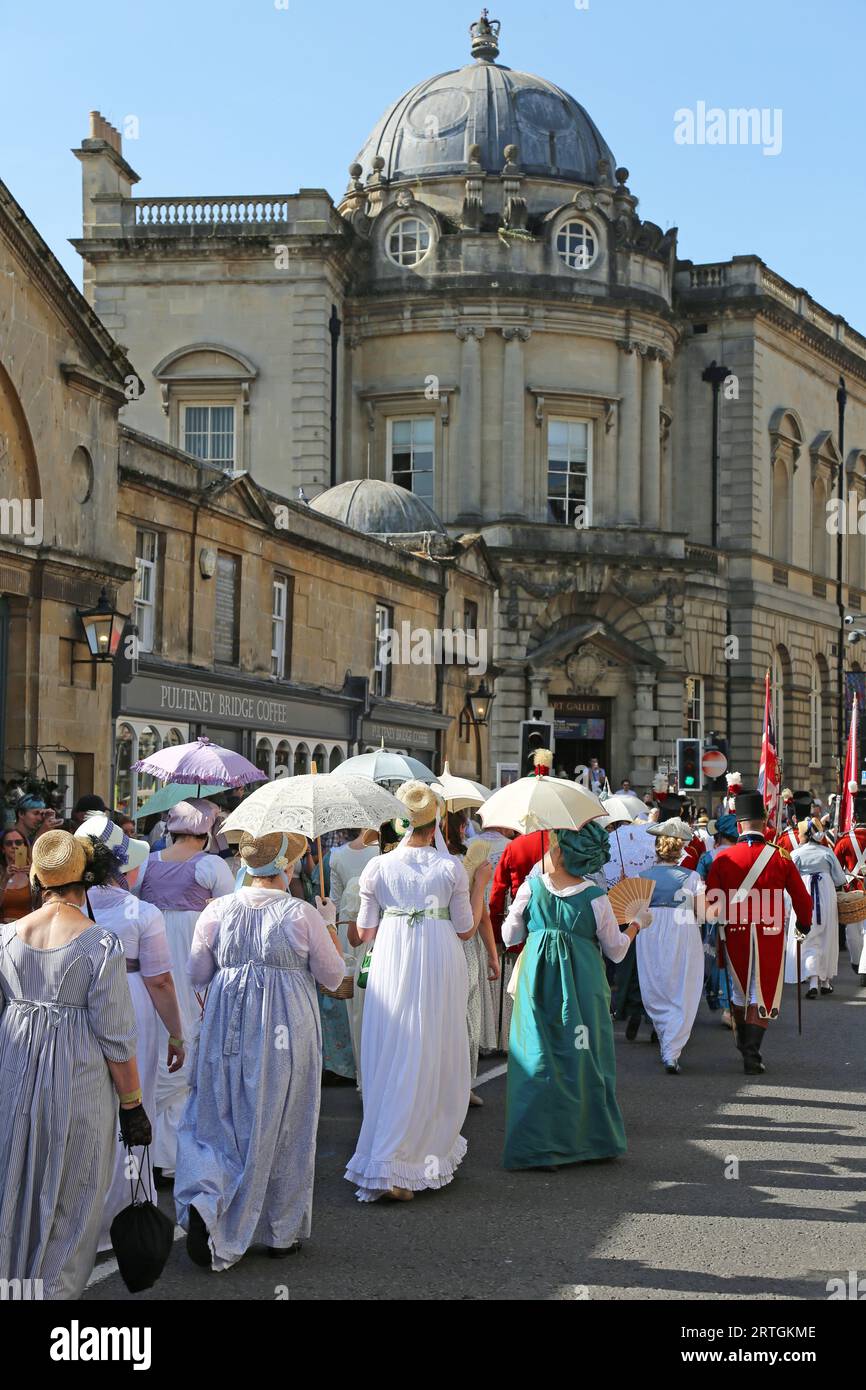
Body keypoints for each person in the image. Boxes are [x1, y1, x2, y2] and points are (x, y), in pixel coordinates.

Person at [176, 831, 344, 1270]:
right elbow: (331, 974)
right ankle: (279, 1230)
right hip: (286, 1025)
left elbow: (196, 970)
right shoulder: (299, 912)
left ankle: (209, 1198)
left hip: (226, 1020)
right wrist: (327, 921)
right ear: (284, 867)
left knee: (219, 1115)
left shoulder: (217, 909)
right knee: (285, 1118)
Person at [0, 831, 148, 1299]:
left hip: (15, 1074)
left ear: (39, 877)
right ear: (88, 879)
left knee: (16, 1183)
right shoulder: (99, 943)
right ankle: (53, 1294)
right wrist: (133, 1104)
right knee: (74, 1192)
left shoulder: (5, 937)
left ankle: (13, 1287)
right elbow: (117, 1038)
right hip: (79, 1079)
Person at [345, 782, 475, 1202]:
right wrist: (479, 885)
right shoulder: (451, 867)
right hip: (438, 955)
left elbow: (363, 934)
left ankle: (389, 1153)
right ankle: (416, 1153)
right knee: (433, 1044)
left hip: (392, 955)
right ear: (435, 820)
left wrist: (336, 917)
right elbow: (463, 928)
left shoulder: (377, 867)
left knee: (394, 1044)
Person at [501, 821, 651, 1169]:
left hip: (537, 981)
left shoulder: (531, 887)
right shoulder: (596, 897)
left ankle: (537, 1145)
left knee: (537, 1055)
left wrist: (526, 911)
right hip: (583, 983)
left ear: (558, 851)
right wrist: (637, 924)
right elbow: (615, 951)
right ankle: (588, 1141)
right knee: (584, 1056)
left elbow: (510, 935)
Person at [74, 814, 185, 1248]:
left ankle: (82, 1213)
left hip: (78, 1005)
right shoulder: (142, 912)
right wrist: (177, 1033)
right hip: (131, 999)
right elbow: (160, 980)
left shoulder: (65, 906)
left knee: (86, 1106)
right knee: (133, 1103)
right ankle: (125, 1208)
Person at [138, 799, 235, 1176]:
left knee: (160, 1031)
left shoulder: (148, 862)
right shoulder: (211, 865)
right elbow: (228, 915)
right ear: (206, 831)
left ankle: (155, 1149)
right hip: (193, 952)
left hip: (154, 951)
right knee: (192, 1029)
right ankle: (177, 1154)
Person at [706, 791, 813, 1075]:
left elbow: (711, 904)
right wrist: (804, 923)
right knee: (762, 990)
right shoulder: (780, 857)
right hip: (770, 932)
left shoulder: (723, 859)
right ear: (763, 822)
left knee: (739, 989)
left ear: (739, 825)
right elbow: (802, 899)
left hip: (735, 932)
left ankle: (746, 1047)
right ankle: (751, 1053)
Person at [638, 819, 706, 1074]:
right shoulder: (692, 877)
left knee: (656, 983)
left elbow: (636, 908)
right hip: (682, 930)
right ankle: (671, 1050)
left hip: (651, 930)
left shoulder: (642, 876)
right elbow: (703, 913)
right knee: (683, 985)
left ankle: (667, 1043)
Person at [445, 817, 497, 1107]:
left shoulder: (435, 862)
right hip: (463, 946)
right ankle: (463, 1084)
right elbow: (481, 916)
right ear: (462, 830)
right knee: (467, 1016)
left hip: (437, 942)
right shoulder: (464, 865)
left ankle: (447, 1083)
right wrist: (491, 954)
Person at [784, 818, 845, 998]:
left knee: (807, 938)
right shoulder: (827, 852)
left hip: (803, 894)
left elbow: (788, 879)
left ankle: (812, 981)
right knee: (827, 936)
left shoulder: (795, 854)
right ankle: (825, 981)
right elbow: (840, 879)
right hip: (826, 894)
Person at [696, 813, 739, 1021]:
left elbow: (698, 886)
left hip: (713, 913)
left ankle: (724, 1004)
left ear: (720, 835)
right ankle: (737, 1003)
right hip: (743, 911)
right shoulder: (746, 854)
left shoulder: (707, 857)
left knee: (715, 957)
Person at [832, 792, 866, 985]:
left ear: (855, 818)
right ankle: (864, 967)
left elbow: (836, 867)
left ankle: (857, 963)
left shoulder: (845, 840)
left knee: (852, 932)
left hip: (852, 891)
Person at [0, 826, 32, 923]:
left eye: (18, 842)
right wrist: (5, 880)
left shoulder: (32, 869)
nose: (14, 846)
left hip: (25, 927)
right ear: (3, 849)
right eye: (9, 843)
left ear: (25, 846)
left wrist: (33, 879)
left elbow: (40, 904)